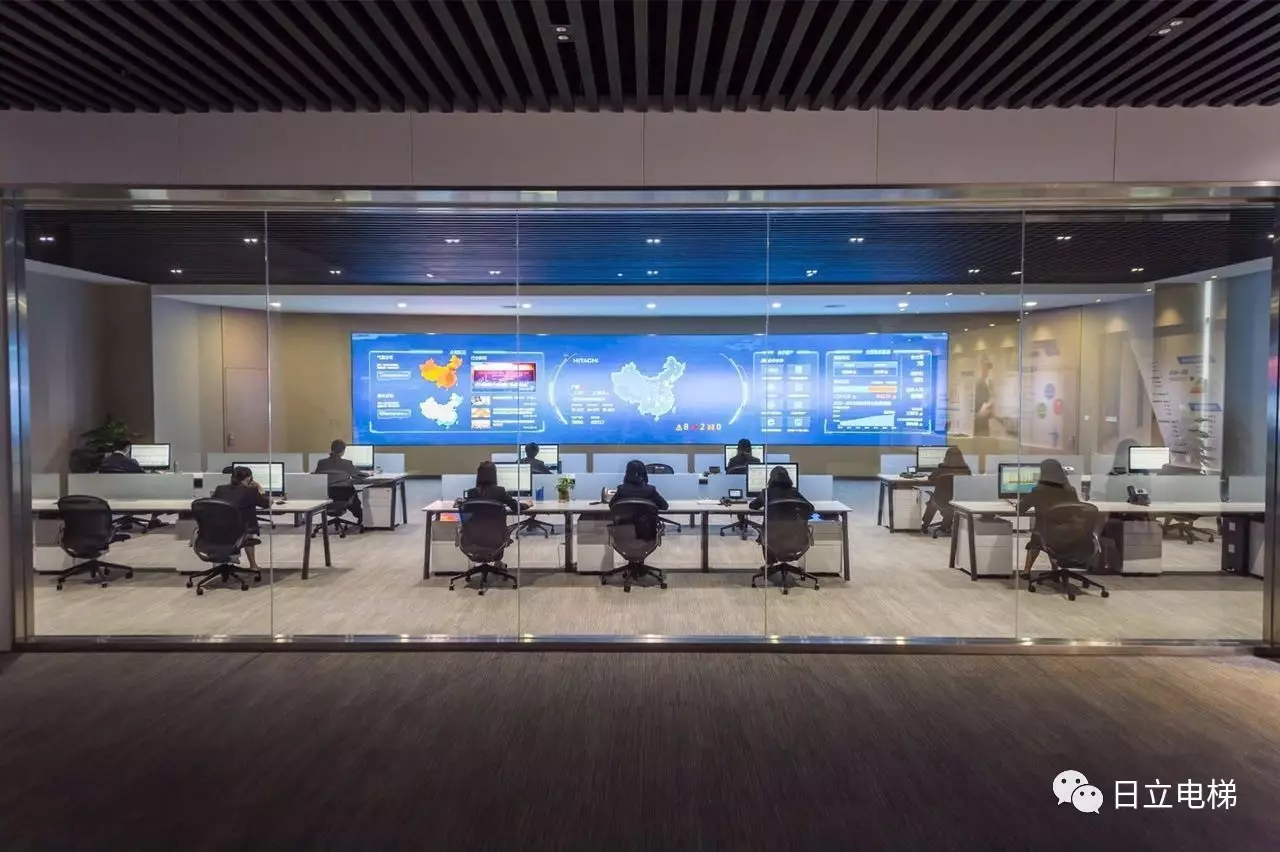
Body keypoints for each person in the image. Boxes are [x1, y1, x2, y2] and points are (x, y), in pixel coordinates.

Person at [1017, 458, 1079, 577]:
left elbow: (1020, 509)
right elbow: (1077, 509)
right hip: (1067, 532)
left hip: (1046, 533)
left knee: (1037, 539)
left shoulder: (1038, 491)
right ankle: (1055, 570)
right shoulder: (1071, 491)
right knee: (1049, 535)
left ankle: (1026, 571)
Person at [749, 465, 814, 563]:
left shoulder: (767, 493)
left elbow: (752, 506)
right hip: (795, 537)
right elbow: (810, 508)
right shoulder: (794, 492)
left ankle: (770, 564)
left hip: (772, 537)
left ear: (771, 479)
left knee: (766, 529)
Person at [211, 465, 270, 574]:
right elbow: (266, 504)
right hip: (241, 531)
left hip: (220, 530)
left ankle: (228, 562)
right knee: (248, 535)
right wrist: (260, 490)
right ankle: (253, 565)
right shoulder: (251, 491)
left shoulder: (220, 489)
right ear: (248, 478)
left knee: (240, 531)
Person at [314, 439, 369, 526]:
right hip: (344, 495)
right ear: (343, 451)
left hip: (327, 495)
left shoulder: (321, 463)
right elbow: (356, 475)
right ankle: (360, 516)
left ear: (331, 449)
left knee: (347, 495)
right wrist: (367, 474)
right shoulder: (347, 463)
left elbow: (317, 476)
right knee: (353, 497)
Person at [610, 460, 668, 541]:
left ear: (627, 473)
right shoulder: (650, 490)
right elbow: (665, 506)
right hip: (646, 536)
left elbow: (612, 506)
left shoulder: (621, 489)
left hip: (624, 536)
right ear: (644, 473)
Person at [920, 446, 971, 533]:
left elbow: (930, 480)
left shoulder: (941, 468)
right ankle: (946, 525)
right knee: (947, 503)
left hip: (941, 501)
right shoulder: (966, 470)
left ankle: (925, 525)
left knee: (933, 500)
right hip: (958, 502)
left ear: (946, 456)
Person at [973, 359, 995, 437]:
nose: (986, 372)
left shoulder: (987, 386)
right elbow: (968, 415)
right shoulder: (975, 386)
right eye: (984, 369)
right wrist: (979, 415)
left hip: (984, 427)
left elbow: (986, 405)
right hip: (976, 430)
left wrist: (990, 412)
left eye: (988, 369)